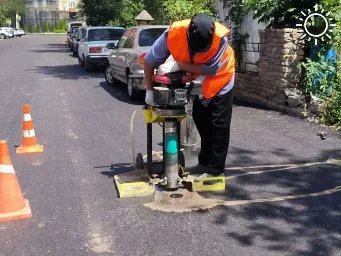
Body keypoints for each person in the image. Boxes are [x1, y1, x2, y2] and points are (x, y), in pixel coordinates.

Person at [143, 13, 235, 181]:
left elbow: (211, 69)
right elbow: (149, 61)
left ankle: (216, 170)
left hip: (222, 78)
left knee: (218, 125)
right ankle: (204, 163)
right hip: (199, 81)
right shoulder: (173, 34)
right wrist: (149, 91)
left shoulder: (220, 39)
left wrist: (178, 65)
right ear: (188, 35)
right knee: (201, 119)